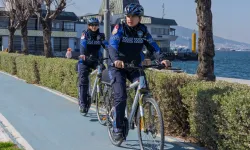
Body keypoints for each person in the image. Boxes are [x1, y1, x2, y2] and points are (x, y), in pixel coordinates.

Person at [108, 3, 171, 140]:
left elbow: (153, 47)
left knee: (143, 88)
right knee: (121, 96)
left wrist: (162, 59)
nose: (130, 19)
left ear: (140, 18)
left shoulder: (142, 31)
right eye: (128, 16)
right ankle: (117, 127)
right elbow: (112, 46)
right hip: (118, 67)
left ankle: (137, 117)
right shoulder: (120, 28)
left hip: (135, 67)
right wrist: (116, 59)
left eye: (134, 16)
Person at [78, 17, 108, 114]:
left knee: (105, 73)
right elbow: (82, 45)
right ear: (88, 26)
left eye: (96, 25)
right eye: (92, 25)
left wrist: (114, 55)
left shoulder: (101, 36)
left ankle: (104, 95)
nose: (94, 27)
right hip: (85, 60)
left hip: (96, 60)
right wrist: (83, 55)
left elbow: (107, 46)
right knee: (84, 81)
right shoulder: (85, 35)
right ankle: (82, 104)